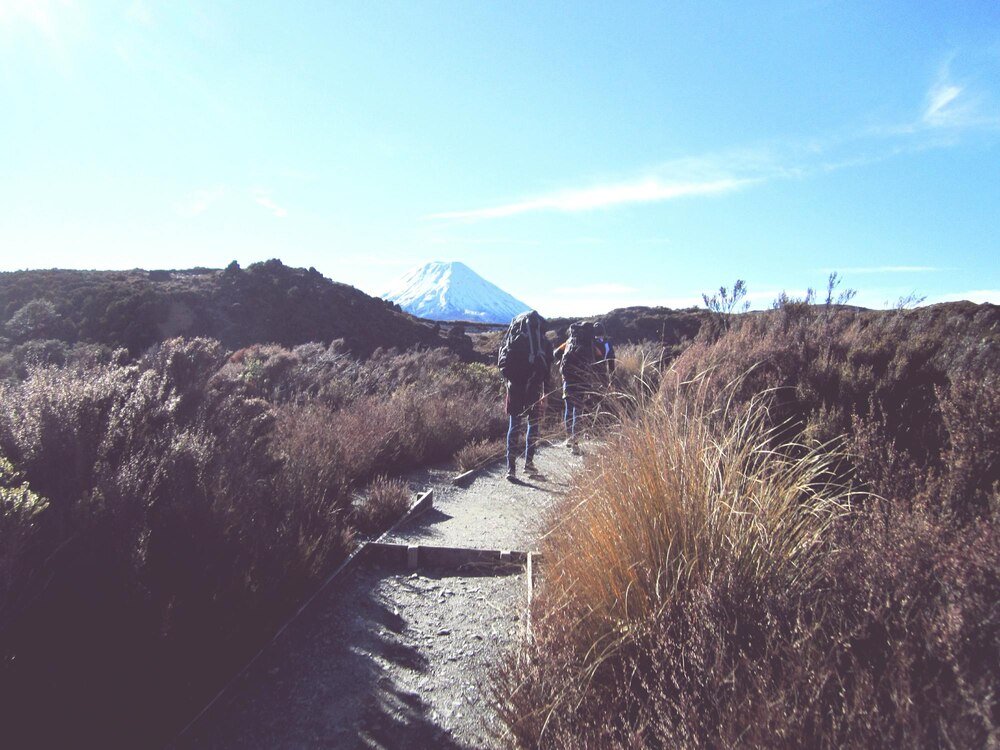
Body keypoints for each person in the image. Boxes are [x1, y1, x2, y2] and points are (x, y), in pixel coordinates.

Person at [498, 311, 553, 481]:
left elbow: (502, 364)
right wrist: (546, 392)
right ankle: (529, 464)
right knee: (533, 425)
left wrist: (509, 383)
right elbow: (547, 371)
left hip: (514, 388)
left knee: (514, 425)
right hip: (534, 389)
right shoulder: (544, 343)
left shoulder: (513, 339)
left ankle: (511, 468)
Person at [554, 321, 603, 454]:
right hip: (583, 381)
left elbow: (555, 353)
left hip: (567, 379)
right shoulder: (591, 343)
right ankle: (575, 443)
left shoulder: (569, 341)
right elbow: (600, 359)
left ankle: (569, 438)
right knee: (578, 411)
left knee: (568, 409)